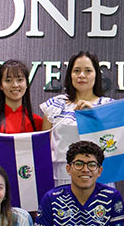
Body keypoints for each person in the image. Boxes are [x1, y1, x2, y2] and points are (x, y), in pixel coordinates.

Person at [40, 50, 107, 183]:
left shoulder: (108, 106)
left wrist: (92, 114)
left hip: (97, 177)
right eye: (76, 71)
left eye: (88, 71)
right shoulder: (55, 105)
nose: (82, 75)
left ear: (96, 75)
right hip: (62, 175)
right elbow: (43, 147)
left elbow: (113, 143)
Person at [0, 58, 47, 136]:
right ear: (0, 85)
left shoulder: (37, 122)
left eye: (20, 80)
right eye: (8, 80)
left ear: (27, 84)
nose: (15, 85)